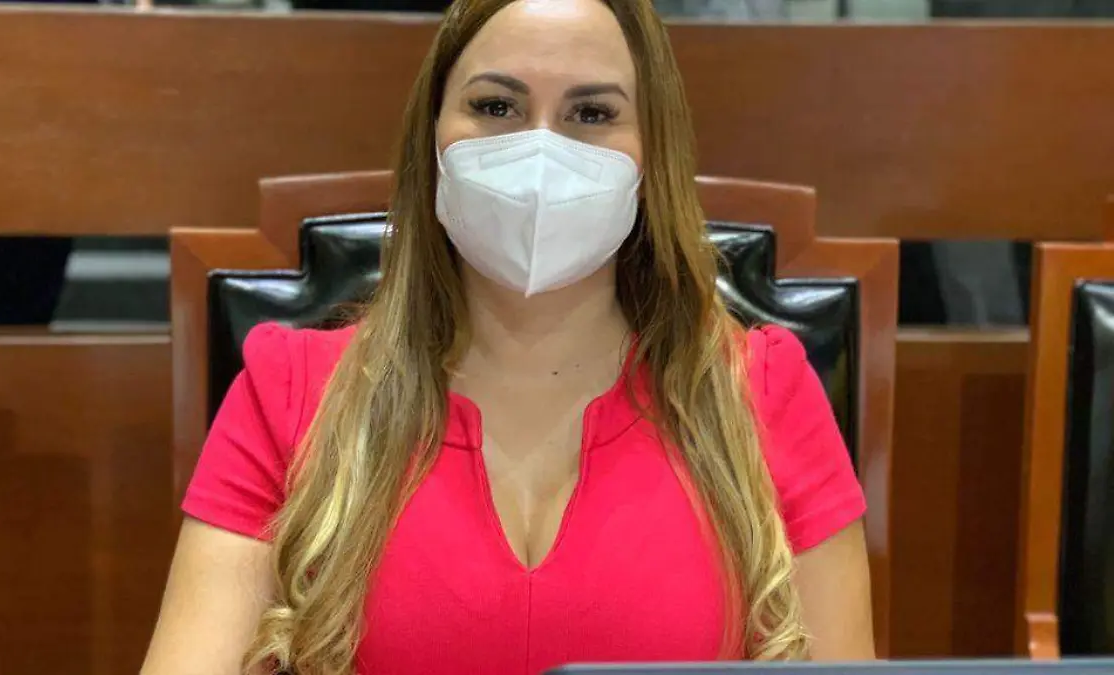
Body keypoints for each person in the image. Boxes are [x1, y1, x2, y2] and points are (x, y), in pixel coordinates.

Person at [142, 0, 874, 672]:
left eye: (591, 113)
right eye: (496, 106)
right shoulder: (291, 391)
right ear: (432, 139)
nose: (539, 154)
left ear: (652, 156)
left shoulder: (762, 393)